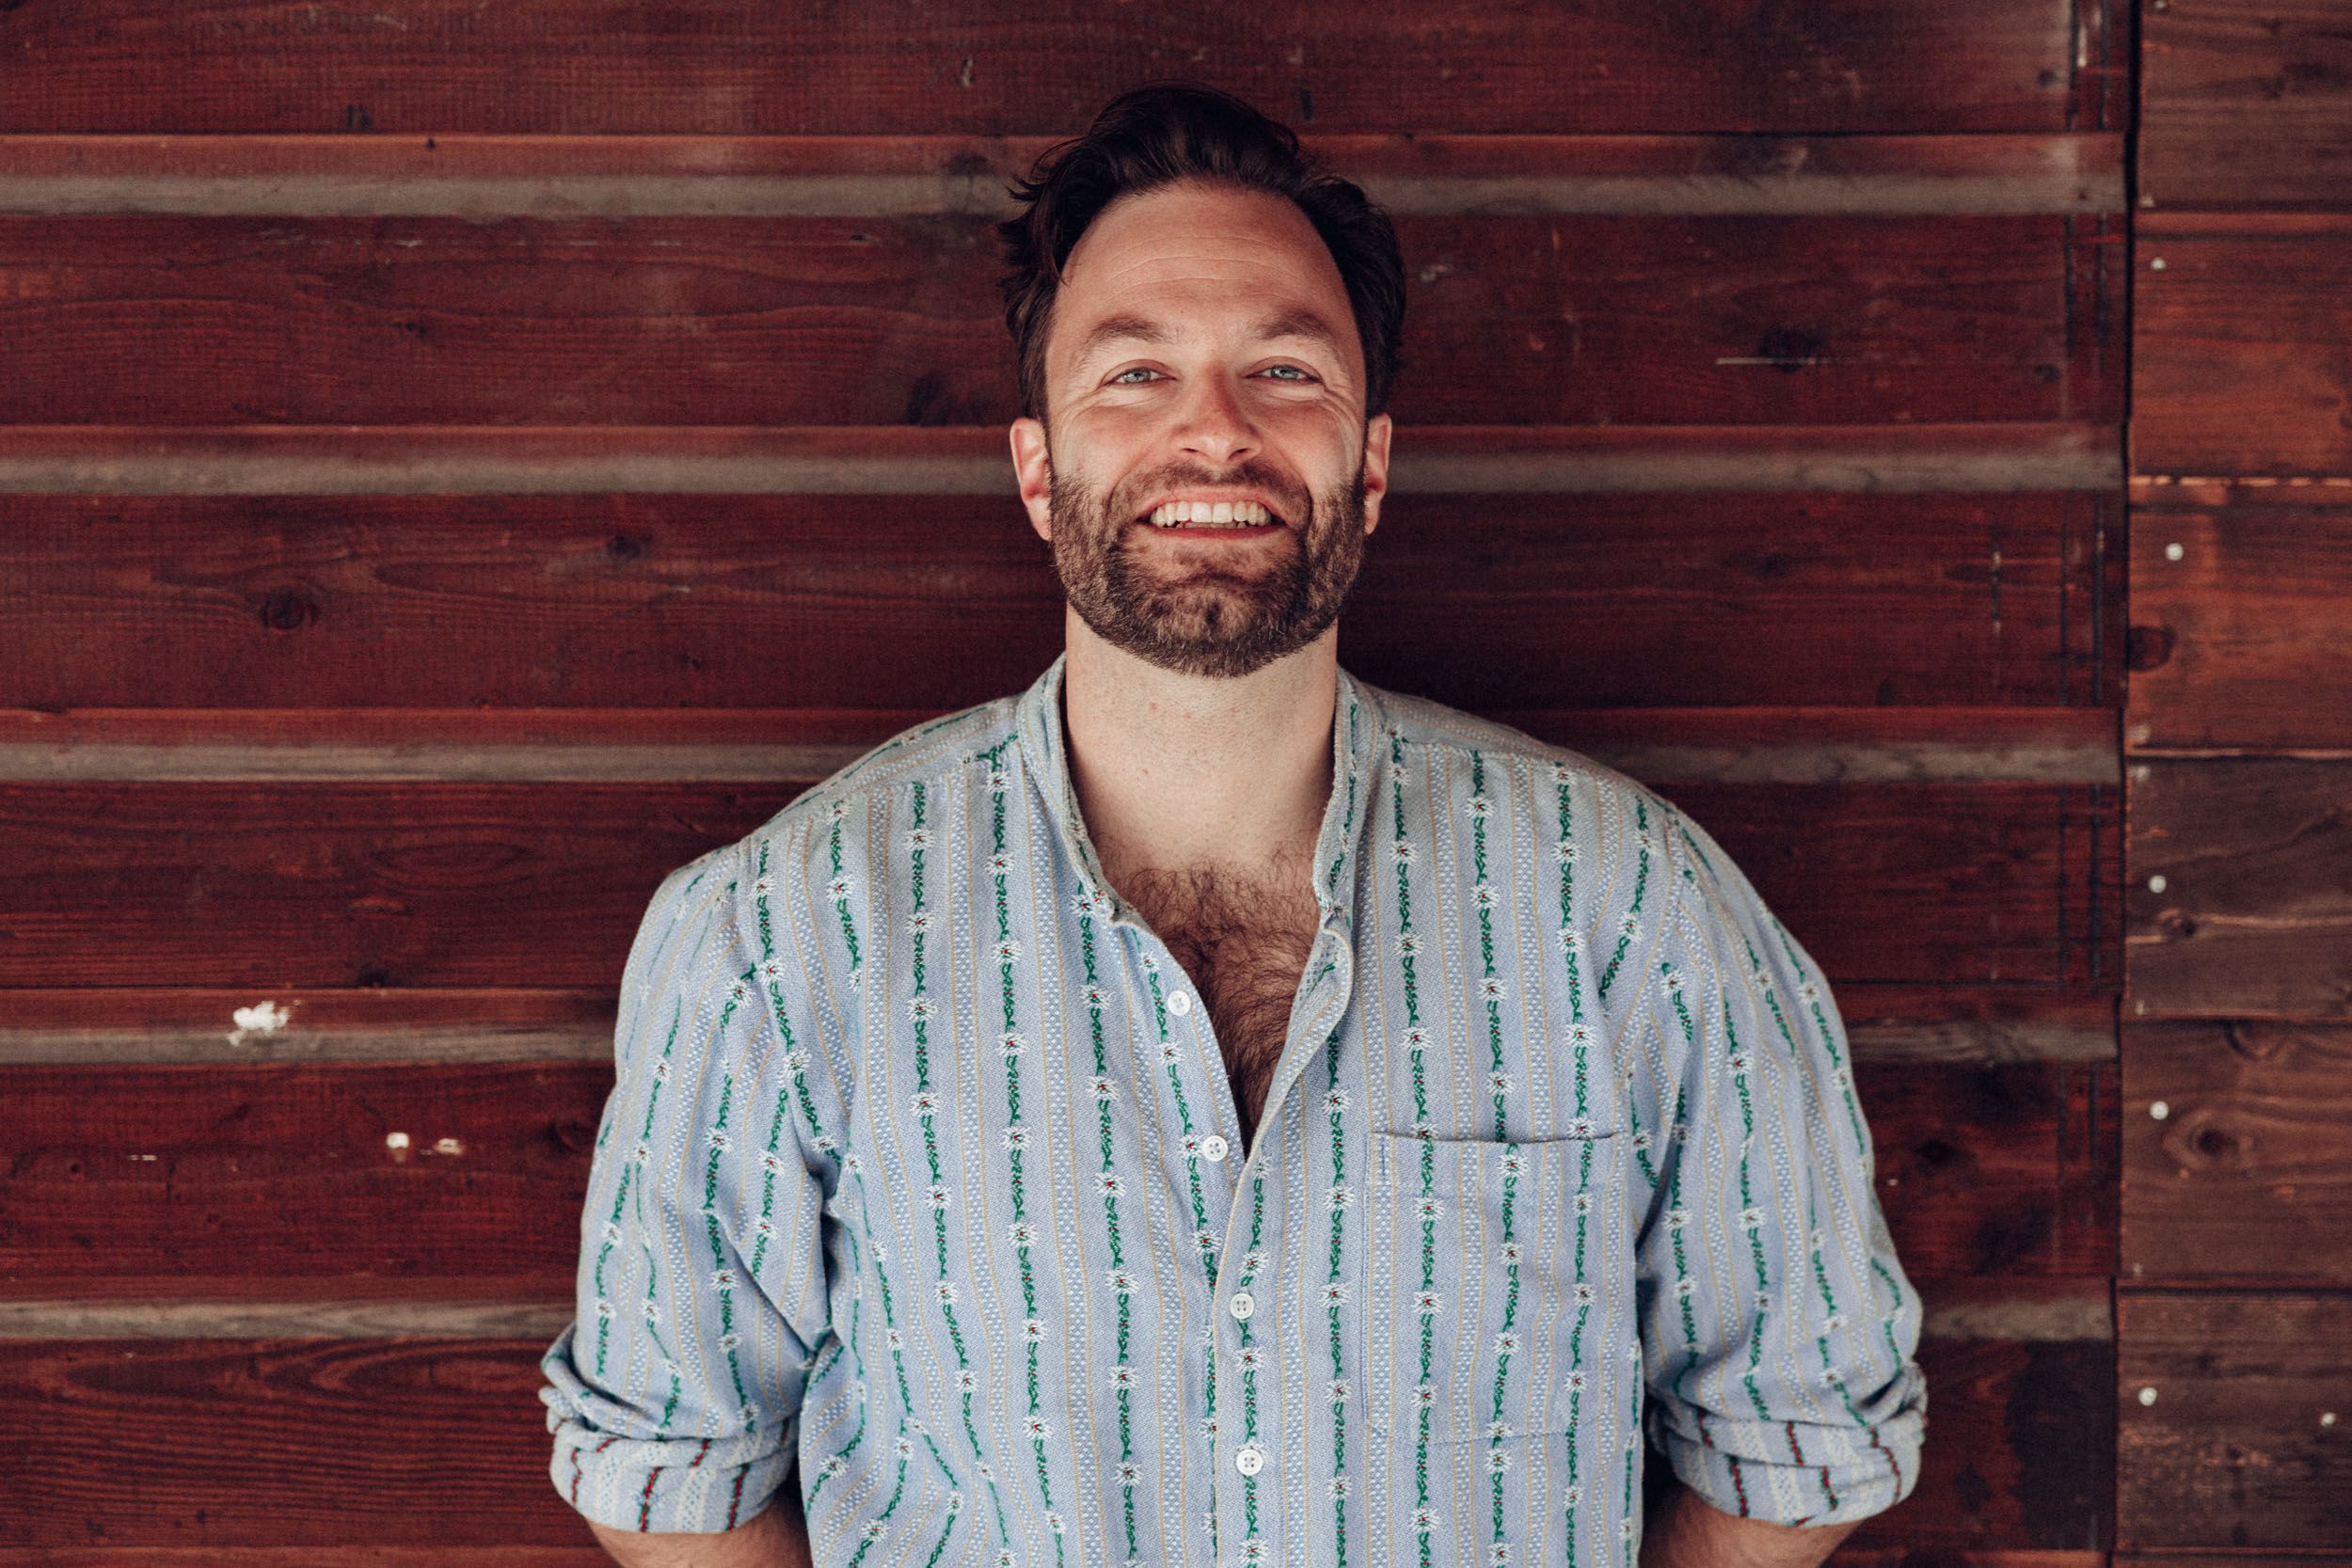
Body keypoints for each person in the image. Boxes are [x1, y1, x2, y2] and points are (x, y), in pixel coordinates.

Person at [539, 80, 1927, 1568]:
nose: (1213, 432)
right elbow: (666, 1469)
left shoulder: (1633, 906)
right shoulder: (782, 933)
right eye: (1135, 373)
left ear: (1370, 466)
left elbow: (1803, 1437)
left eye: (1283, 369)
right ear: (1037, 470)